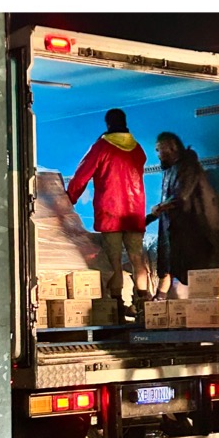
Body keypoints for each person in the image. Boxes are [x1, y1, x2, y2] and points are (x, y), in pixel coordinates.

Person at [64, 108, 148, 310]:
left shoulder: (101, 147)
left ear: (108, 124)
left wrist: (69, 199)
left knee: (115, 261)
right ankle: (144, 303)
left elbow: (82, 175)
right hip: (134, 212)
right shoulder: (137, 148)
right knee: (137, 258)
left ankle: (117, 304)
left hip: (110, 211)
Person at [147, 131, 219, 297]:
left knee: (192, 275)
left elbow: (180, 196)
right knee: (169, 269)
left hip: (192, 234)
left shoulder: (187, 166)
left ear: (171, 148)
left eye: (159, 149)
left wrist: (157, 210)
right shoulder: (173, 169)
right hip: (179, 234)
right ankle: (159, 302)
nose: (158, 154)